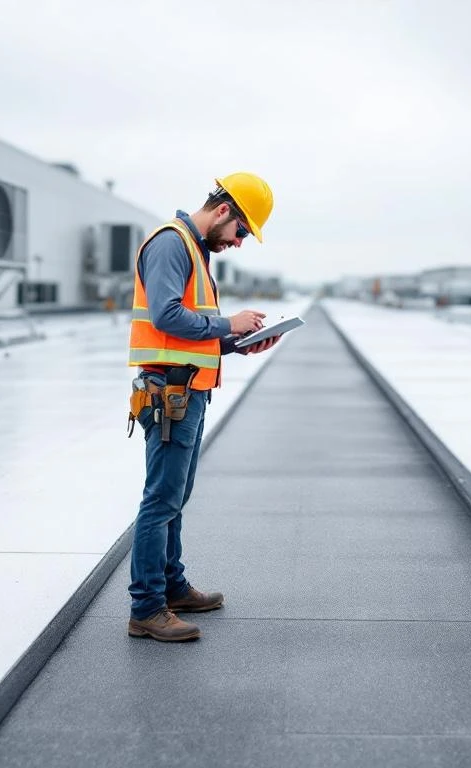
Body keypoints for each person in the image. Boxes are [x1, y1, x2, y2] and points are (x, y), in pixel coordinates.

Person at [126, 172, 278, 642]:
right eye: (241, 231)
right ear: (224, 211)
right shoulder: (172, 244)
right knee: (160, 500)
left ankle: (171, 588)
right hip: (170, 393)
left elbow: (190, 333)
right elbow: (166, 315)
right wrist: (229, 323)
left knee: (175, 498)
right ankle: (146, 608)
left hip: (187, 391)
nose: (239, 242)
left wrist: (236, 343)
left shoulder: (195, 249)